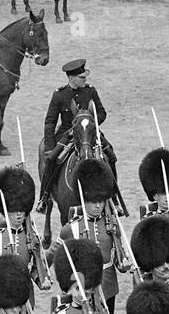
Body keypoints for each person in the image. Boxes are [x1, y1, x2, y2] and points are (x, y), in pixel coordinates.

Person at [38, 60, 121, 215]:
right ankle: (45, 196)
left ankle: (115, 197)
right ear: (71, 78)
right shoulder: (60, 95)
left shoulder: (91, 91)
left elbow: (102, 112)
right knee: (51, 160)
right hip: (67, 135)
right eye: (82, 78)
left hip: (89, 132)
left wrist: (90, 122)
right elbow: (50, 122)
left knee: (110, 155)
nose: (85, 80)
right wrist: (49, 147)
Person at [48, 159, 129, 314]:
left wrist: (124, 264)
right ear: (84, 200)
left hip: (108, 286)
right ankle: (45, 196)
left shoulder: (112, 225)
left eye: (101, 202)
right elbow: (52, 256)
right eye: (93, 202)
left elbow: (119, 256)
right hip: (81, 287)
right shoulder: (70, 229)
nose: (98, 206)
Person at [0, 166, 46, 314]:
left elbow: (33, 267)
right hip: (2, 296)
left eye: (22, 210)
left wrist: (40, 280)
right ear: (6, 210)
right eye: (14, 211)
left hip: (26, 297)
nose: (19, 215)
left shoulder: (32, 237)